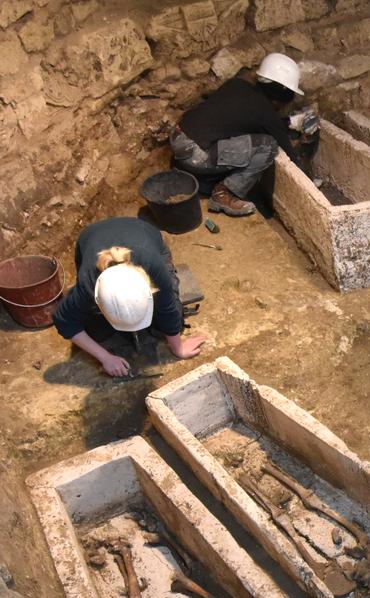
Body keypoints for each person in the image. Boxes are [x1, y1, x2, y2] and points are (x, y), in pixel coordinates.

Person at [51, 217, 207, 378]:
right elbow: (64, 321)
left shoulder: (154, 267)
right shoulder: (88, 284)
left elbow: (167, 308)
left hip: (142, 230)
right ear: (98, 298)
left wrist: (178, 348)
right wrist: (105, 358)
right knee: (95, 330)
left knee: (173, 308)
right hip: (90, 236)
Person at [171, 52, 304, 217]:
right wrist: (307, 180)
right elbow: (288, 150)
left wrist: (288, 122)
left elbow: (241, 121)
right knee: (268, 145)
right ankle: (223, 194)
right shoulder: (266, 112)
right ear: (280, 96)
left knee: (245, 142)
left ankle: (203, 180)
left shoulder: (236, 85)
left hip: (179, 138)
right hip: (195, 155)